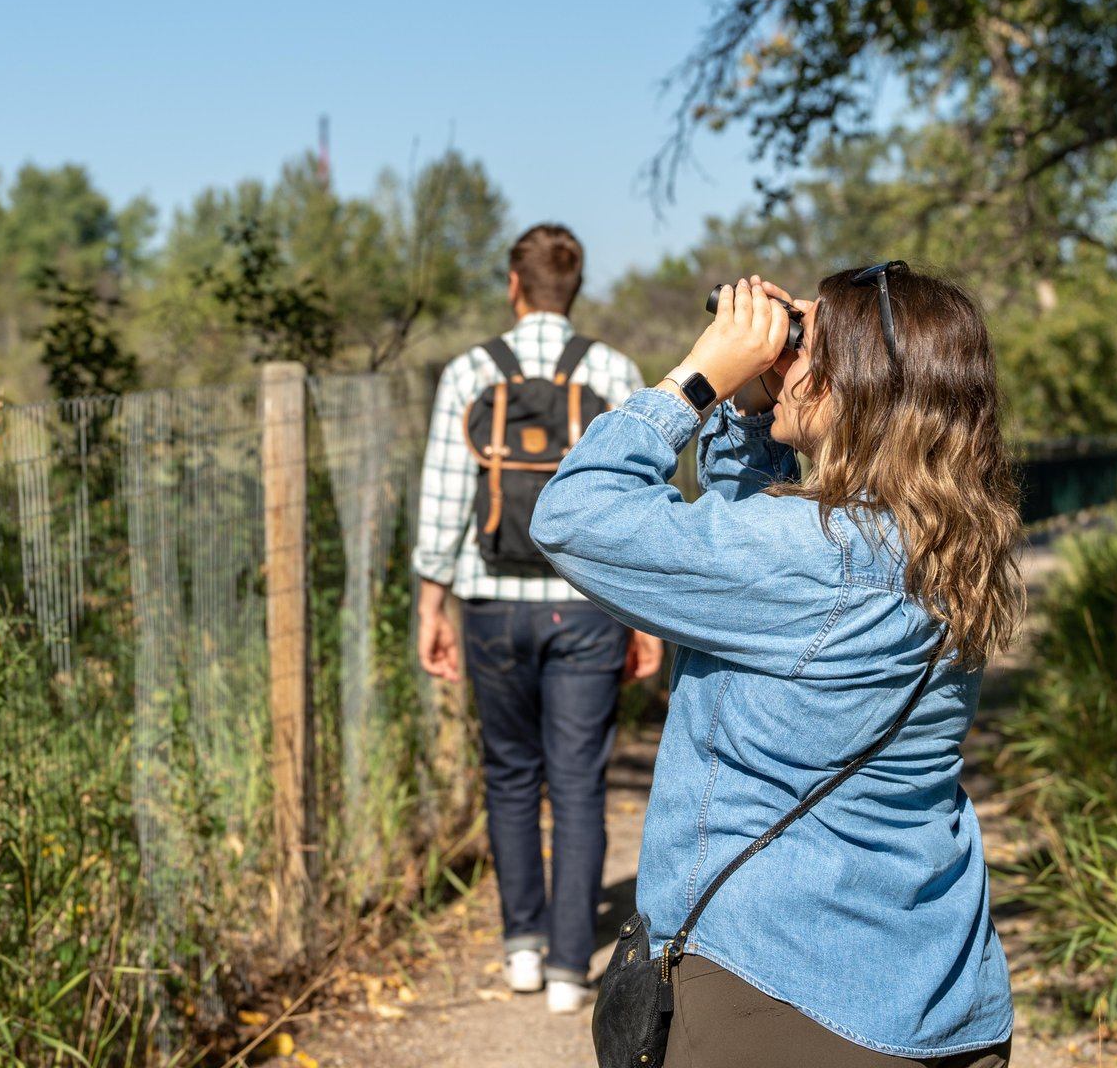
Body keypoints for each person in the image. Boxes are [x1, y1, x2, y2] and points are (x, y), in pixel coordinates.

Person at [531, 269, 1021, 1067]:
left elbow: (576, 515)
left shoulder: (817, 561)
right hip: (935, 982)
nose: (781, 359)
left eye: (803, 346)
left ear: (853, 386)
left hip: (784, 994)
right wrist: (757, 411)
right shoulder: (941, 537)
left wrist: (696, 383)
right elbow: (750, 529)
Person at [412, 223, 664, 1015]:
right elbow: (640, 498)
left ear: (514, 287)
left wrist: (433, 602)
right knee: (580, 780)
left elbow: (445, 497)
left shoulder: (468, 373)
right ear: (574, 289)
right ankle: (566, 970)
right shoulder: (614, 370)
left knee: (511, 773)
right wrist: (645, 617)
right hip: (587, 605)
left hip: (490, 603)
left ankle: (520, 948)